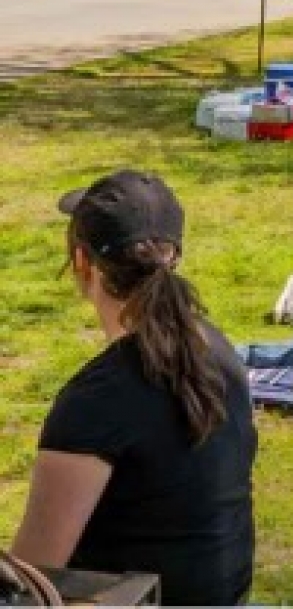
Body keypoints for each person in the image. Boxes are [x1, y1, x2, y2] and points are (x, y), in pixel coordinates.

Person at [12, 172, 256, 606]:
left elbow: (32, 580)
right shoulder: (217, 350)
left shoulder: (97, 400)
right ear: (173, 257)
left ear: (82, 263)